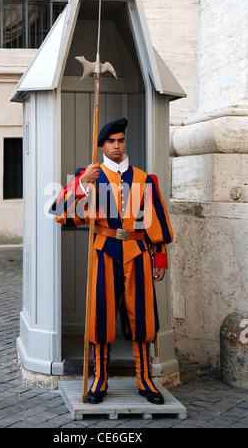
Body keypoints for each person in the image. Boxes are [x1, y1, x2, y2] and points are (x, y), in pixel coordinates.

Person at [50, 118, 174, 405]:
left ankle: (145, 378)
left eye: (120, 140)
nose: (116, 145)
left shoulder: (144, 179)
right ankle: (100, 377)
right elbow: (61, 213)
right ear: (102, 145)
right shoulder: (90, 177)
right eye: (110, 141)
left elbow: (156, 222)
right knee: (101, 315)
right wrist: (82, 183)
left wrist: (160, 258)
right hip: (104, 249)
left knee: (142, 315)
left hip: (139, 251)